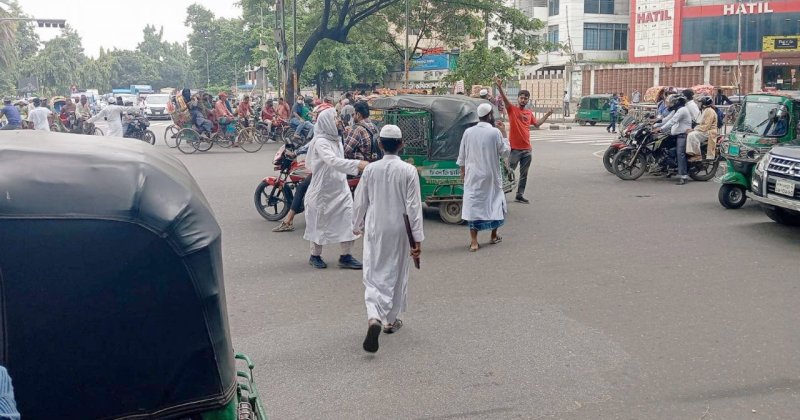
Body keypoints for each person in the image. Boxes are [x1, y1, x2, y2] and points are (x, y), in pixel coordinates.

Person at [353, 124, 424, 353]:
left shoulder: (370, 170)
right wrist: (417, 240)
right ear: (401, 144)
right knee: (396, 271)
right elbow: (414, 208)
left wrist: (357, 225)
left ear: (380, 144)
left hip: (375, 226)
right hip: (399, 229)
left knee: (373, 273)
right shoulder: (408, 171)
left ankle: (374, 315)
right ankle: (390, 321)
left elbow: (360, 200)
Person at [303, 108, 368, 269]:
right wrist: (357, 165)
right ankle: (315, 255)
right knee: (319, 223)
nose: (339, 121)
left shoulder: (337, 139)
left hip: (340, 188)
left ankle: (346, 256)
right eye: (335, 118)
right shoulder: (320, 142)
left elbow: (339, 161)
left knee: (348, 220)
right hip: (323, 191)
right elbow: (332, 161)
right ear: (326, 122)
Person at [457, 103, 510, 252]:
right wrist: (504, 133)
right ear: (490, 116)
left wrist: (462, 171)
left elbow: (462, 154)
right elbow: (505, 152)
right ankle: (493, 235)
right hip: (491, 176)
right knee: (496, 203)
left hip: (473, 175)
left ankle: (474, 242)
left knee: (474, 205)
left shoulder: (468, 132)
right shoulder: (495, 132)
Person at [495, 77, 551, 204]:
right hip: (514, 149)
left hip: (527, 150)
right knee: (508, 172)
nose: (523, 100)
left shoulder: (529, 113)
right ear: (518, 98)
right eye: (522, 97)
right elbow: (504, 100)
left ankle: (519, 195)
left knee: (524, 174)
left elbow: (537, 124)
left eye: (526, 98)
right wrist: (499, 87)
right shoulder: (512, 110)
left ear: (528, 100)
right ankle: (499, 194)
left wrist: (547, 115)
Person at [655, 94, 692, 185]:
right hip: (675, 134)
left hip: (682, 135)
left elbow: (672, 121)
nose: (670, 104)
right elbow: (666, 120)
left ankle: (684, 176)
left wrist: (661, 129)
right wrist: (654, 124)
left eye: (672, 102)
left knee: (680, 153)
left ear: (677, 103)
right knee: (664, 148)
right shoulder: (676, 110)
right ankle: (668, 168)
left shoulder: (682, 110)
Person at [687, 96, 718, 160]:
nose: (699, 104)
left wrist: (694, 129)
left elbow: (706, 126)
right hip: (705, 130)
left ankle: (697, 155)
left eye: (700, 103)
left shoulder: (709, 111)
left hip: (709, 131)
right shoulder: (704, 110)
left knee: (692, 135)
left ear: (704, 104)